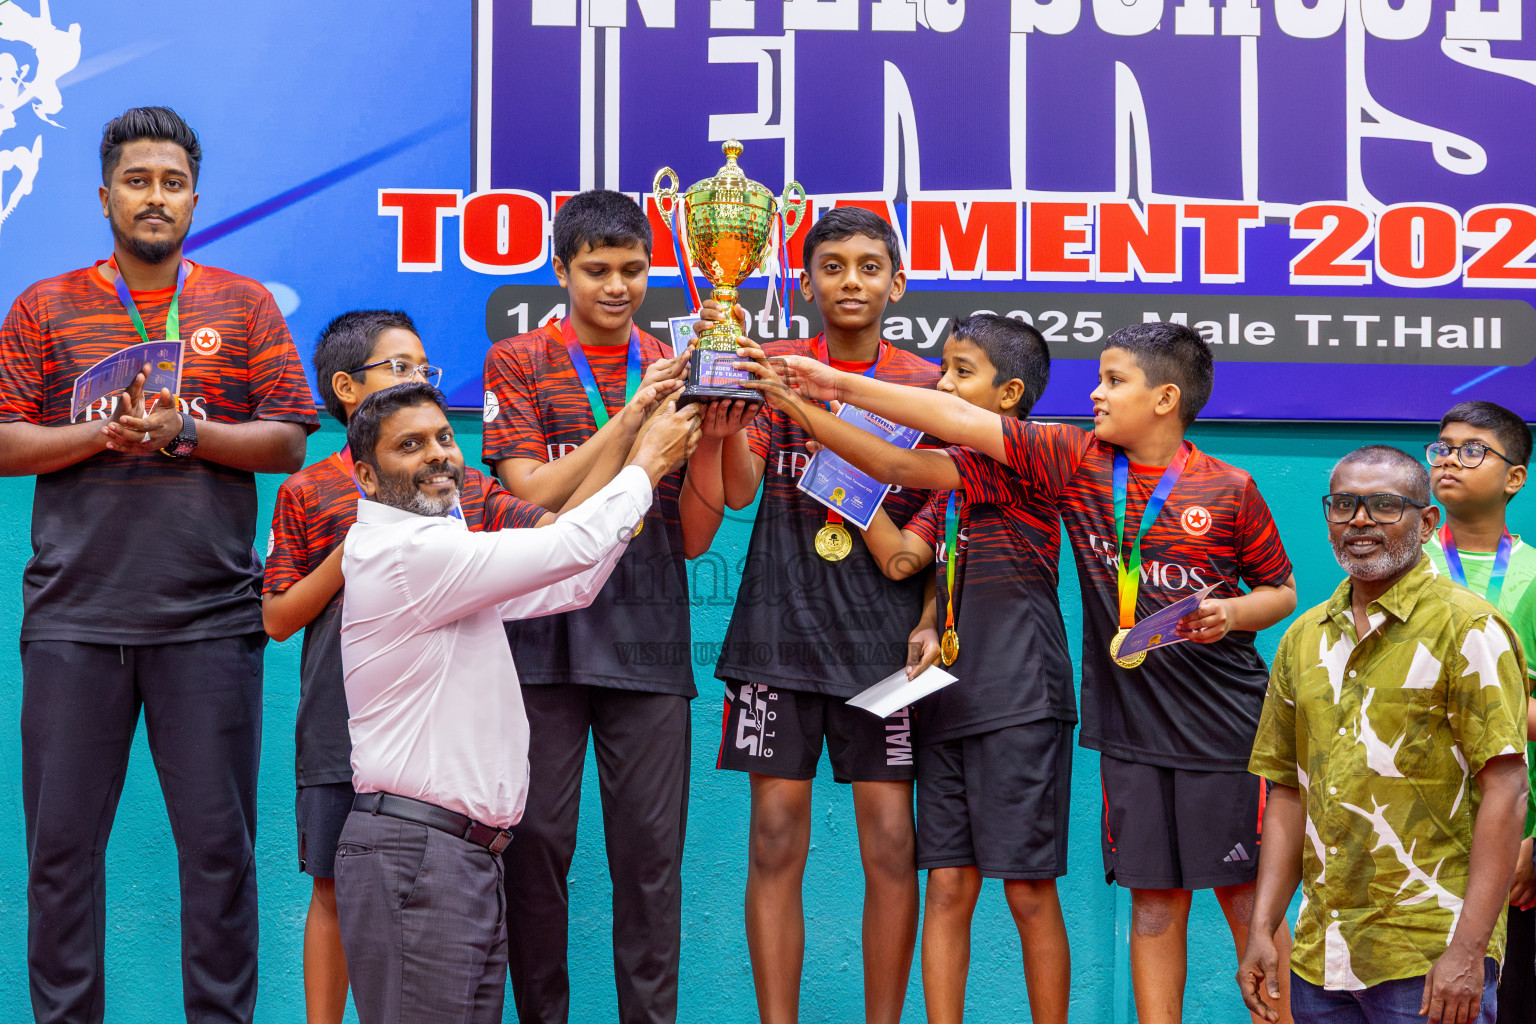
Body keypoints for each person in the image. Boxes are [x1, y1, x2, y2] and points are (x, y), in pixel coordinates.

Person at [758, 319, 1298, 1024]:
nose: (1095, 393)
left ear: (1166, 398)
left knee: (1245, 905)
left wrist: (1236, 612)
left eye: (1113, 380)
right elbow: (916, 463)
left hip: (1213, 726)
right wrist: (816, 400)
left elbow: (1282, 590)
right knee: (1146, 909)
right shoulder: (1076, 459)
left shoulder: (1222, 485)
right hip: (1123, 728)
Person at [262, 310, 680, 1023]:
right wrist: (646, 464)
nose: (438, 456)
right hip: (419, 856)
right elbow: (569, 548)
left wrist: (641, 455)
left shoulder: (444, 545)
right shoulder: (409, 552)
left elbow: (572, 583)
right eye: (410, 445)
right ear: (365, 477)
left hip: (462, 857)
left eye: (444, 438)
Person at [0, 106, 319, 1023]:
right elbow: (6, 440)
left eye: (172, 183)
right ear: (104, 197)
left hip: (209, 622)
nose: (155, 197)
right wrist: (98, 433)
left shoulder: (243, 304)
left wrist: (188, 431)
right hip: (74, 619)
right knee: (60, 860)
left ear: (193, 201)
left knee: (219, 857)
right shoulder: (45, 305)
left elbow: (288, 440)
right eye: (136, 181)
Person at [745, 313, 1074, 1021]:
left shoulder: (1032, 453)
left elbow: (895, 466)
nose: (942, 383)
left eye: (961, 372)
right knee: (948, 887)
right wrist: (840, 483)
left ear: (1009, 394)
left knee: (1026, 890)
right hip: (947, 704)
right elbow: (902, 557)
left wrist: (801, 403)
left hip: (1019, 698)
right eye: (943, 369)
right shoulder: (957, 477)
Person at [481, 189, 740, 1024]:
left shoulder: (678, 362)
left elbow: (694, 536)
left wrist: (715, 431)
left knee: (650, 862)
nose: (618, 286)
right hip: (538, 640)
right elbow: (532, 501)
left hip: (648, 642)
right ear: (561, 269)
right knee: (535, 849)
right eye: (597, 270)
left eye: (633, 269)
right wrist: (633, 420)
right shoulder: (519, 360)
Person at [686, 205, 934, 1024]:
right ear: (806, 281)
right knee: (773, 833)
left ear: (897, 282)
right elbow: (738, 492)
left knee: (891, 841)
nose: (850, 281)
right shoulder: (775, 368)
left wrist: (934, 614)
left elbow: (951, 523)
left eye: (869, 266)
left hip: (886, 642)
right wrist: (725, 420)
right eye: (832, 266)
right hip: (777, 632)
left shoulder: (929, 384)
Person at [1238, 444, 1530, 1024]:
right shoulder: (1303, 639)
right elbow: (1289, 791)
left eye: (1384, 505)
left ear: (1426, 522)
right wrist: (1263, 927)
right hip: (1322, 957)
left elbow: (1508, 790)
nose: (1360, 520)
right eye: (1343, 505)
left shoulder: (1469, 628)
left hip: (1430, 956)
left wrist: (1469, 952)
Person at [1418, 402, 1536, 1024]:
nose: (1449, 461)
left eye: (1472, 450)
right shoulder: (1403, 569)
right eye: (1441, 448)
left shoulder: (1533, 575)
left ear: (1514, 477)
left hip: (1514, 836)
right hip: (1412, 836)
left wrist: (1534, 840)